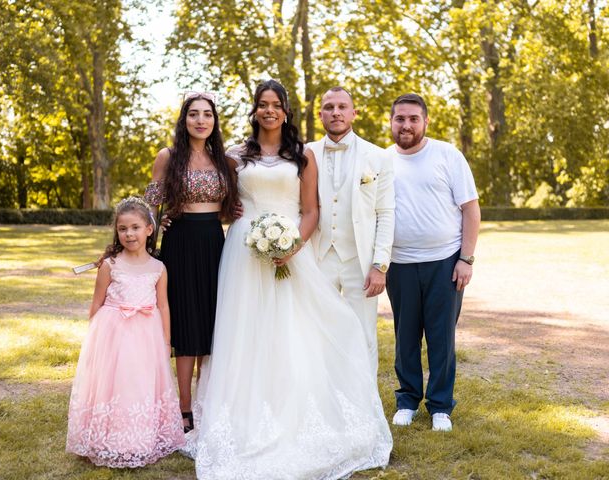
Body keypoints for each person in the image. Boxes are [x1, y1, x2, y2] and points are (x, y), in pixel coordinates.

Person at [182, 80, 392, 480]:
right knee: (244, 329)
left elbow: (310, 211)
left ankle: (294, 408)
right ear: (254, 110)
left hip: (289, 250)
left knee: (296, 330)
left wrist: (292, 246)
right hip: (243, 251)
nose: (269, 111)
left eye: (276, 105)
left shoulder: (304, 156)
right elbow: (221, 203)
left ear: (286, 111)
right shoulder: (234, 155)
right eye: (262, 104)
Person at [66, 197, 185, 467]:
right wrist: (96, 342)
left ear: (148, 229)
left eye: (134, 227)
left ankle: (139, 438)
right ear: (116, 231)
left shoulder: (158, 267)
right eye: (122, 229)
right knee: (115, 384)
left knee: (140, 382)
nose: (129, 234)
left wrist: (165, 341)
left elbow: (163, 305)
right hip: (114, 333)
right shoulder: (110, 265)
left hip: (146, 334)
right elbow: (96, 304)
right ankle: (110, 438)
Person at [385, 93, 480, 432]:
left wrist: (466, 259)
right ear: (391, 122)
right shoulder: (382, 161)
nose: (406, 125)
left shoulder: (447, 155)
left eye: (413, 118)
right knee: (405, 336)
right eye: (400, 119)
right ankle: (408, 400)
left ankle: (441, 405)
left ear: (425, 121)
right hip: (399, 263)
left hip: (445, 262)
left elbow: (470, 209)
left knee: (441, 337)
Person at [144, 93, 237, 433]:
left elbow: (232, 205)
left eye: (207, 115)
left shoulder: (223, 160)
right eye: (194, 114)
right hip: (180, 243)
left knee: (210, 325)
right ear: (184, 120)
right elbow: (149, 206)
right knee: (185, 328)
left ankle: (206, 401)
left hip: (214, 243)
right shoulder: (168, 157)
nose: (201, 120)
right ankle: (184, 408)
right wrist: (149, 238)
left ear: (215, 121)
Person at [307, 87, 395, 375]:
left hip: (361, 258)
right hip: (319, 255)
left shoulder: (378, 157)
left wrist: (380, 265)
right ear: (320, 114)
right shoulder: (306, 153)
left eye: (342, 107)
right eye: (329, 107)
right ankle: (324, 397)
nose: (336, 112)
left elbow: (386, 213)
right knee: (319, 329)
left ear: (353, 113)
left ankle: (365, 402)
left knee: (363, 332)